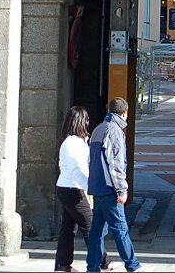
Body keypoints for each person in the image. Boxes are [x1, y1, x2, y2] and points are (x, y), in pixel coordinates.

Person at [86, 98, 147, 273]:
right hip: (110, 189)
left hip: (97, 188)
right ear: (124, 113)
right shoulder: (115, 131)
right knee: (120, 229)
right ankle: (132, 265)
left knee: (96, 232)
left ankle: (93, 267)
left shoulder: (98, 129)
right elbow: (116, 164)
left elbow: (91, 161)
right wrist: (122, 189)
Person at [54, 106, 113, 273]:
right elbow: (76, 170)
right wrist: (91, 189)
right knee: (91, 226)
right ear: (81, 121)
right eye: (86, 120)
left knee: (68, 228)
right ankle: (103, 261)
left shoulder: (75, 141)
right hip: (74, 189)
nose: (88, 123)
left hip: (68, 188)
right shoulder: (72, 143)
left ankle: (63, 264)